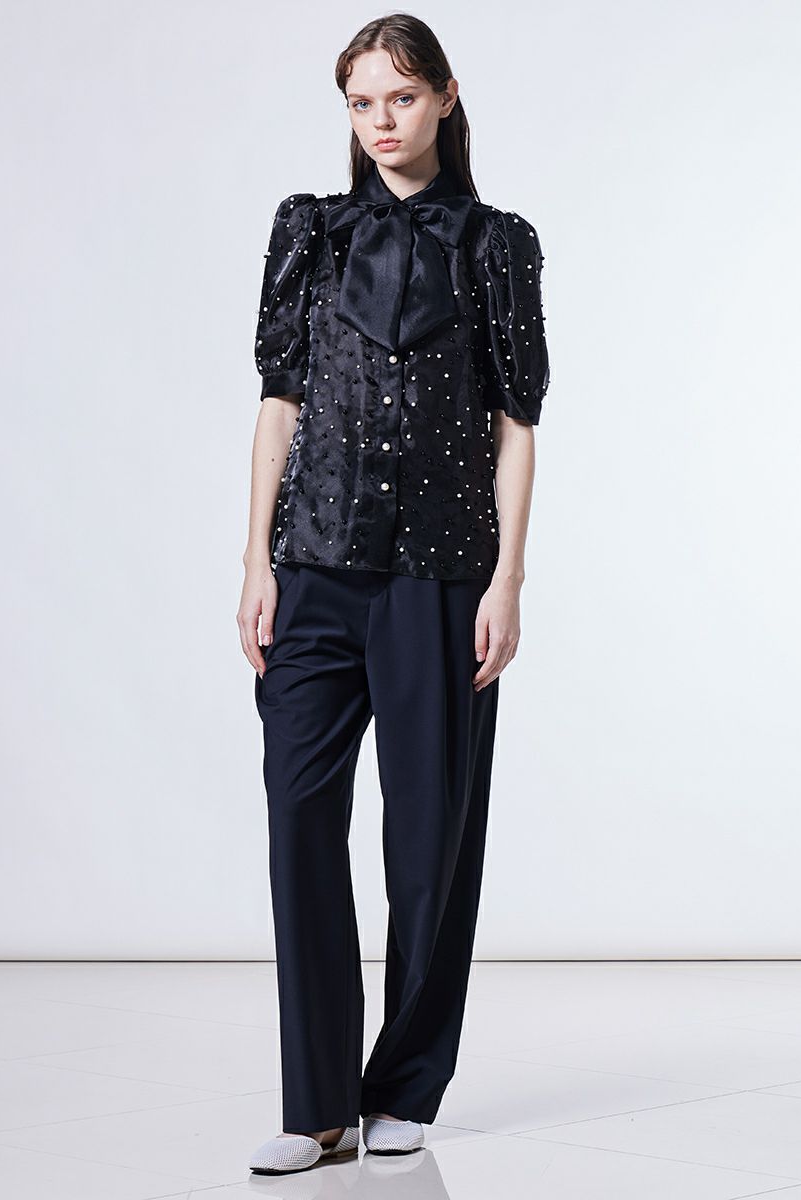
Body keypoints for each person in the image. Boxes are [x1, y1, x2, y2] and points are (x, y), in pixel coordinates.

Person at [238, 13, 549, 1176]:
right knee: (299, 823)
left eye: (401, 98)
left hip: (440, 579)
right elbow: (279, 405)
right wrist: (256, 562)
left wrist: (506, 579)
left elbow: (515, 423)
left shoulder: (496, 244)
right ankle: (317, 1103)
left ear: (445, 98)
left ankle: (405, 1083)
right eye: (362, 102)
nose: (381, 121)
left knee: (429, 844)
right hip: (315, 571)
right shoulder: (308, 232)